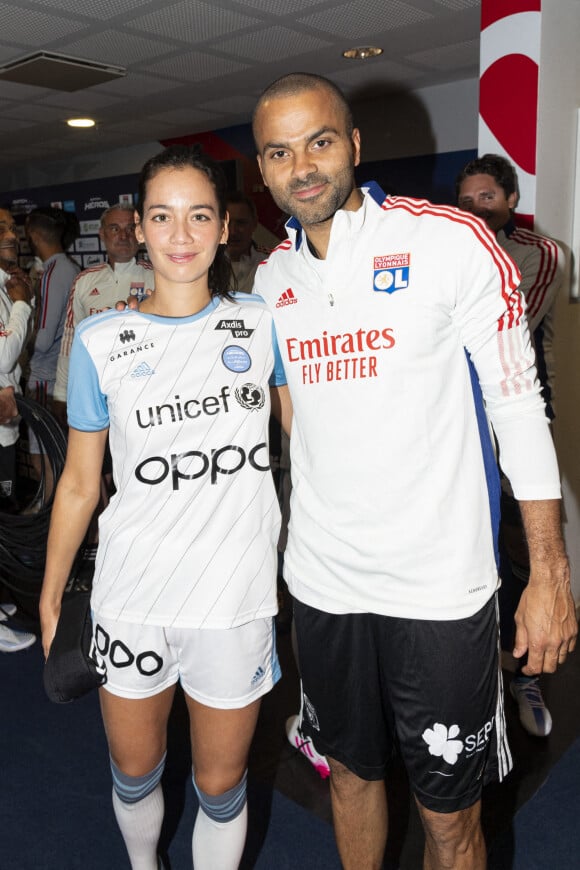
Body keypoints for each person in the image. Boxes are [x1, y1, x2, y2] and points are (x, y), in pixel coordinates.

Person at [252, 73, 577, 870]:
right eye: (279, 152)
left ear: (355, 147)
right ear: (261, 170)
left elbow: (518, 408)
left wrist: (548, 571)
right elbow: (300, 422)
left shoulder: (448, 241)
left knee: (449, 819)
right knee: (353, 778)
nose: (302, 167)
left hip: (439, 592)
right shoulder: (271, 280)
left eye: (320, 142)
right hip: (324, 587)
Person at [39, 144, 285, 870]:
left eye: (199, 215)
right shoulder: (100, 341)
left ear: (223, 227)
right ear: (138, 229)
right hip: (133, 594)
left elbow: (314, 440)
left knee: (220, 782)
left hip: (235, 601)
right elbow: (82, 483)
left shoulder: (262, 325)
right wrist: (53, 595)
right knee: (136, 770)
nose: (181, 234)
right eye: (162, 216)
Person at [456, 153, 564, 738]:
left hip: (517, 424)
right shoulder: (449, 253)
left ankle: (526, 674)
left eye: (487, 198)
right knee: (473, 551)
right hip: (461, 426)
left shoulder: (538, 254)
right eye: (467, 199)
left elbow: (508, 325)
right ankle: (482, 676)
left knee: (524, 552)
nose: (477, 208)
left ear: (510, 200)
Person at [52, 203, 155, 425]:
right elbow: (71, 340)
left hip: (147, 390)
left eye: (130, 228)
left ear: (140, 233)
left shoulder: (158, 277)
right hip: (97, 392)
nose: (123, 236)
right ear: (102, 233)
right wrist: (61, 394)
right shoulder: (84, 281)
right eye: (115, 228)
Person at [0, 207, 37, 652]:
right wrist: (24, 301)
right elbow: (4, 357)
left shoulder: (7, 282)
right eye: (2, 229)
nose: (12, 234)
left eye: (11, 227)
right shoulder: (13, 289)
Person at [24, 207, 80, 495]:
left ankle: (49, 526)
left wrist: (16, 341)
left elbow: (43, 339)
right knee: (54, 456)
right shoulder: (68, 268)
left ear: (33, 234)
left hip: (47, 379)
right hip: (60, 377)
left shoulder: (54, 272)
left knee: (43, 459)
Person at [225, 191, 269, 293]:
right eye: (227, 223)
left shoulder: (270, 264)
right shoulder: (206, 266)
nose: (233, 231)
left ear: (254, 224)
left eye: (241, 223)